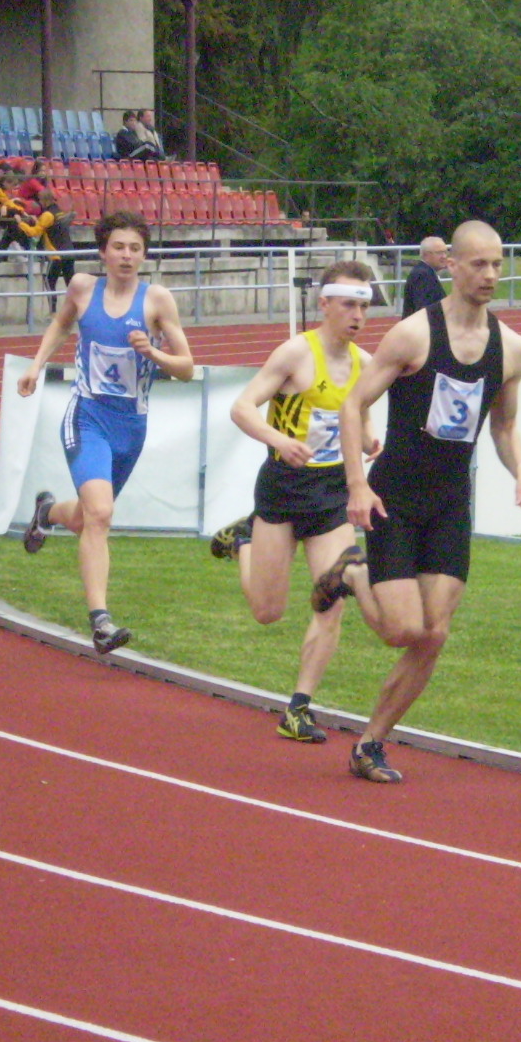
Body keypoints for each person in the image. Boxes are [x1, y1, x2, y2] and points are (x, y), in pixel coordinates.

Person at [309, 220, 521, 785]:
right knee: (401, 630)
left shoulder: (512, 348)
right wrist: (357, 485)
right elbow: (353, 405)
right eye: (478, 264)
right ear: (452, 266)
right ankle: (354, 572)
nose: (490, 275)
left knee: (433, 634)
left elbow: (503, 426)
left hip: (451, 500)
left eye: (497, 264)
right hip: (395, 497)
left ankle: (371, 743)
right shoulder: (413, 335)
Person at [213, 259, 383, 744]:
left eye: (364, 307)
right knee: (267, 611)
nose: (357, 316)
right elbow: (242, 407)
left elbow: (360, 418)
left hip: (331, 493)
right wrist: (279, 440)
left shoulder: (366, 364)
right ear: (324, 304)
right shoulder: (295, 353)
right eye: (348, 305)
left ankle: (299, 707)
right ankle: (243, 540)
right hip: (283, 488)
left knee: (333, 598)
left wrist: (370, 441)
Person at [17, 210, 194, 653]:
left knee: (87, 517)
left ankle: (47, 512)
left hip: (131, 427)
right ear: (103, 252)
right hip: (87, 416)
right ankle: (101, 621)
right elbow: (62, 324)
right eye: (118, 247)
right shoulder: (82, 287)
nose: (127, 256)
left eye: (135, 248)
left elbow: (187, 368)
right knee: (100, 514)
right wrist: (36, 365)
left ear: (144, 255)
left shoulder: (157, 300)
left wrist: (153, 352)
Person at [401, 236, 448, 318]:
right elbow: (425, 310)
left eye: (445, 252)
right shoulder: (423, 275)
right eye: (439, 253)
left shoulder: (425, 272)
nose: (444, 256)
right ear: (426, 255)